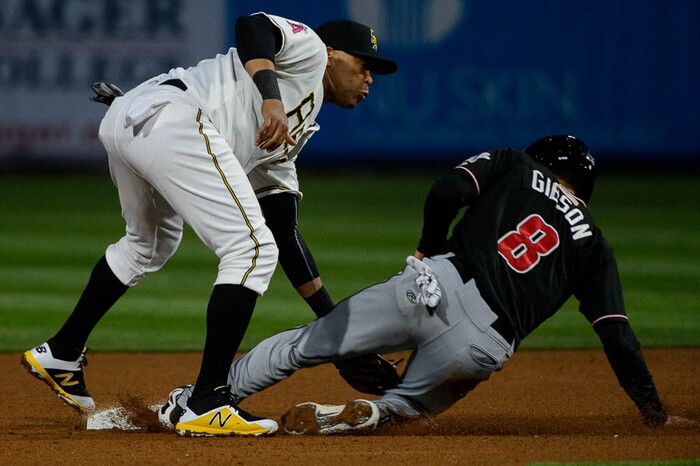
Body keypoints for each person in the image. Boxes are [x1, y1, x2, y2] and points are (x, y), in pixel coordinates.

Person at [21, 12, 397, 437]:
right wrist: (269, 97)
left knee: (149, 243)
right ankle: (206, 402)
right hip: (170, 116)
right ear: (331, 55)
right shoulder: (309, 48)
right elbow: (254, 25)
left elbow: (284, 229)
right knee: (249, 250)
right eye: (363, 65)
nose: (369, 79)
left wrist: (334, 332)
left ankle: (62, 350)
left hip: (134, 115)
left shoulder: (294, 131)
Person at [159, 135, 688, 435]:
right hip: (483, 346)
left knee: (304, 344)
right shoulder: (595, 243)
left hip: (433, 285)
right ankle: (372, 413)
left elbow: (448, 189)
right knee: (405, 409)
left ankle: (199, 402)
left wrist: (429, 247)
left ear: (542, 159)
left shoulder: (516, 163)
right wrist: (653, 413)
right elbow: (617, 335)